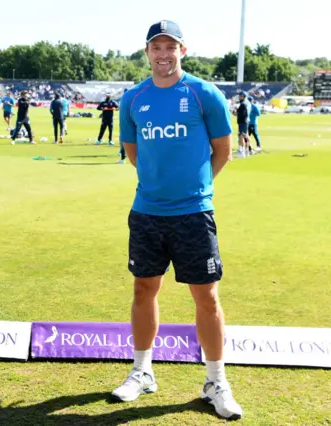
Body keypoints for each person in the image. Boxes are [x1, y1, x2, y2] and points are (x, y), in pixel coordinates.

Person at [114, 20, 242, 420]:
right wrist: (160, 187)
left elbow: (223, 150)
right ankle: (142, 371)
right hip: (148, 213)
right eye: (157, 47)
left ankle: (215, 381)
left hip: (193, 215)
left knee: (207, 298)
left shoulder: (204, 94)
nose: (163, 54)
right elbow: (134, 154)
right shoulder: (133, 99)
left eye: (171, 47)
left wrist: (196, 188)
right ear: (147, 52)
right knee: (143, 290)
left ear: (182, 51)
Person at [236, 92, 250, 157]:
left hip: (242, 122)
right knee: (245, 136)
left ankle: (242, 152)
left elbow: (242, 114)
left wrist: (236, 111)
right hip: (245, 121)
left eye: (240, 96)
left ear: (243, 96)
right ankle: (247, 151)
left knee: (241, 136)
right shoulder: (246, 103)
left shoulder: (243, 104)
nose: (239, 97)